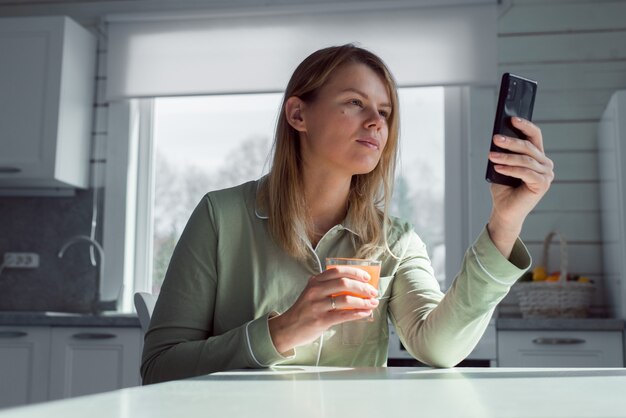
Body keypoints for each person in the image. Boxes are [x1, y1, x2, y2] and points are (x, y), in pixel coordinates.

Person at [140, 44, 554, 384]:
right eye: (355, 103)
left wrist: (505, 221)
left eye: (385, 112)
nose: (376, 123)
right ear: (298, 115)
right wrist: (281, 331)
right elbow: (160, 369)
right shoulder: (220, 216)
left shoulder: (397, 240)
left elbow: (439, 348)